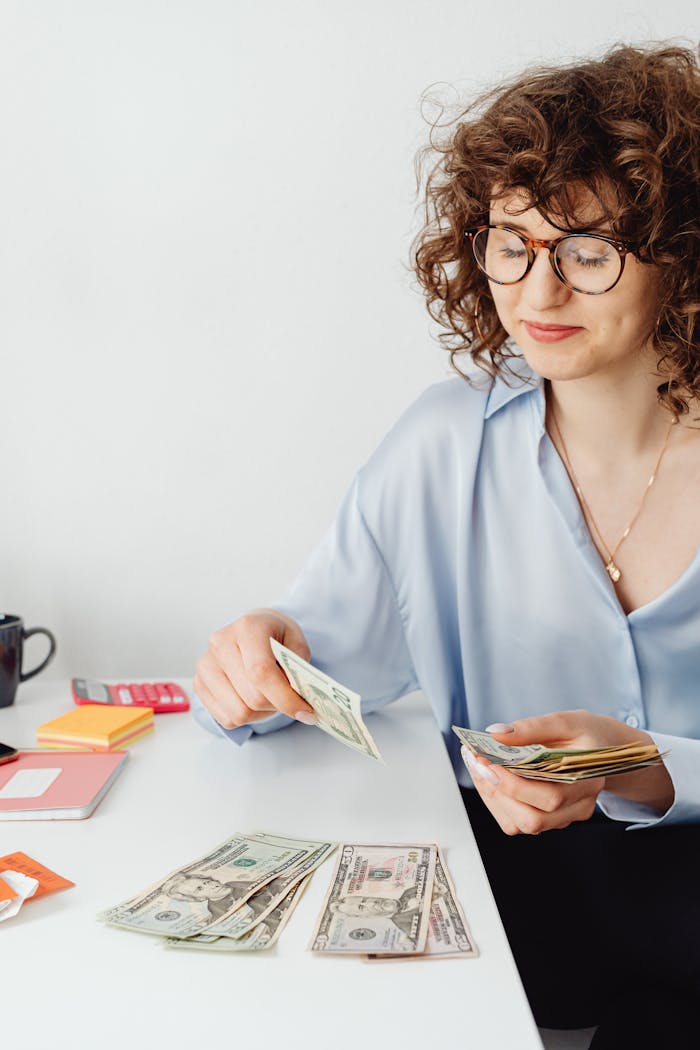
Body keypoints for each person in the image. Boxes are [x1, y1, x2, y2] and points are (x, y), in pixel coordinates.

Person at [193, 43, 699, 1048]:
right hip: (514, 900)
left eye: (586, 250)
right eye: (509, 243)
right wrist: (258, 655)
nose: (538, 292)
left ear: (680, 256)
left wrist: (641, 765)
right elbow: (320, 662)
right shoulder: (437, 445)